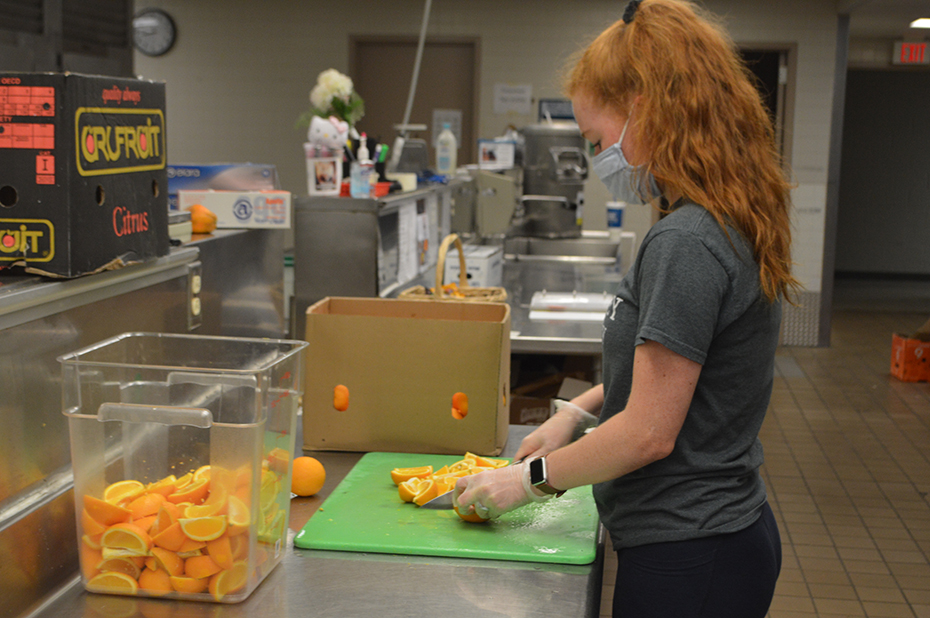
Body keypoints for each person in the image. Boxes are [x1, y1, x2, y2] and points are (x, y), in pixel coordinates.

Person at [453, 1, 799, 616]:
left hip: (690, 551)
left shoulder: (687, 241)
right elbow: (669, 381)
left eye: (597, 140)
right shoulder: (721, 219)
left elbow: (647, 433)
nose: (598, 160)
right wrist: (573, 413)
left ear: (646, 107)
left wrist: (526, 480)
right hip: (717, 539)